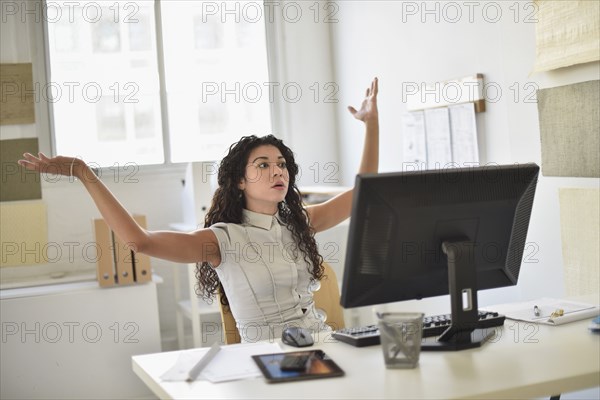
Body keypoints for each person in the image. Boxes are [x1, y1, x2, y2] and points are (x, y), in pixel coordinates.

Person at [19, 77, 380, 343]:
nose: (277, 171)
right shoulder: (222, 240)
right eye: (263, 165)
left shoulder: (300, 223)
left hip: (324, 348)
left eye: (282, 164)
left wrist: (371, 125)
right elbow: (138, 241)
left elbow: (365, 192)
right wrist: (84, 173)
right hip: (270, 363)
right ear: (239, 181)